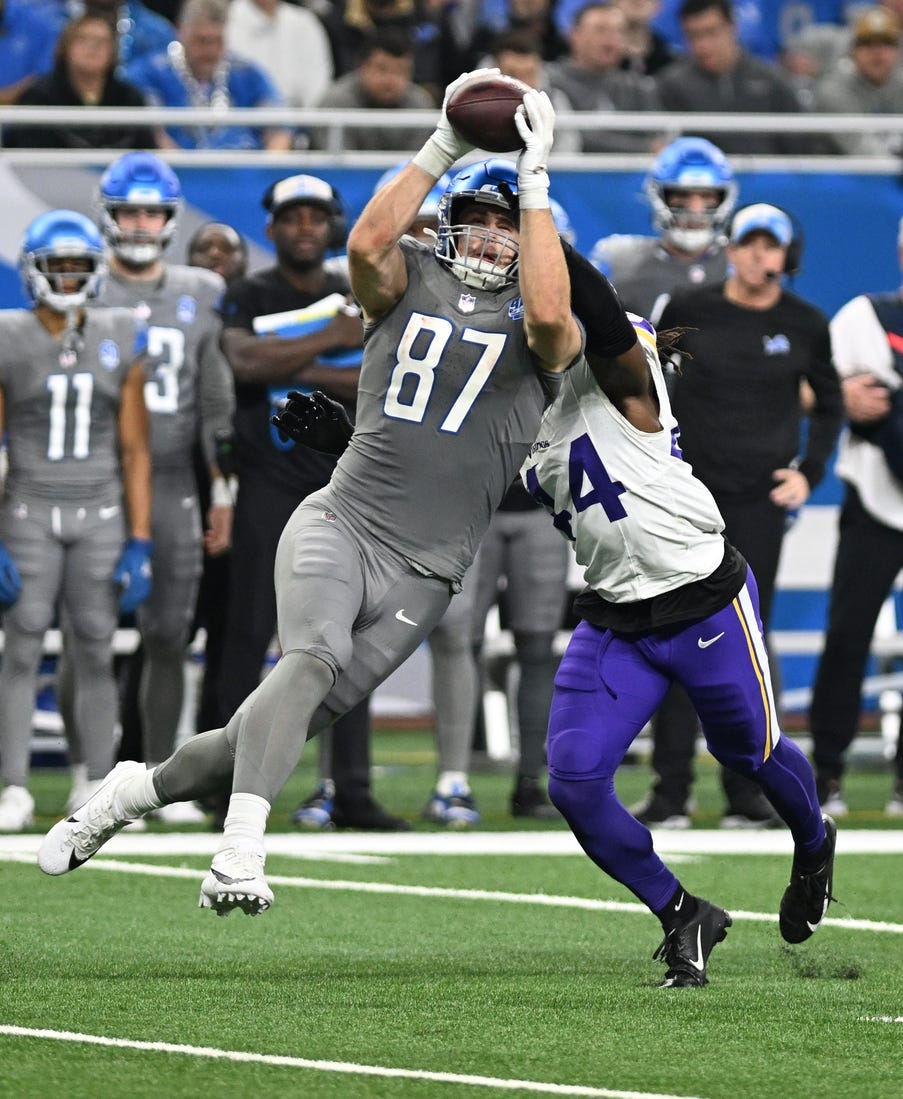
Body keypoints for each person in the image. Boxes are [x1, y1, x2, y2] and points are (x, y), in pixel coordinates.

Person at [38, 72, 592, 914]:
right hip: (345, 517)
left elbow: (552, 323)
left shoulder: (544, 317)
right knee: (309, 659)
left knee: (254, 733)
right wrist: (443, 143)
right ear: (444, 224)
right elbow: (367, 244)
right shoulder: (408, 273)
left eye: (501, 221)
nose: (485, 236)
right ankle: (239, 851)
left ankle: (130, 793)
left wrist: (535, 179)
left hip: (427, 571)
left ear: (530, 233)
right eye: (471, 218)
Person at [521, 255, 837, 985]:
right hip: (614, 618)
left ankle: (814, 839)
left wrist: (544, 241)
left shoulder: (623, 372)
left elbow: (596, 318)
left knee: (750, 754)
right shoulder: (522, 412)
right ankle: (681, 912)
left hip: (702, 598)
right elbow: (458, 488)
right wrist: (347, 444)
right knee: (572, 782)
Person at [631, 203, 844, 830]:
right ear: (730, 249)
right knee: (674, 630)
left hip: (757, 504)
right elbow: (645, 386)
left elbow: (830, 402)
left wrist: (809, 472)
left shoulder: (805, 323)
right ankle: (671, 791)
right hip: (686, 498)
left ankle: (745, 792)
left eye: (769, 246)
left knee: (745, 640)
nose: (758, 256)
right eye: (747, 243)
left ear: (787, 257)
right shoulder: (686, 310)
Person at [215, 170, 407, 833]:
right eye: (291, 216)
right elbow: (240, 363)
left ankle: (349, 787)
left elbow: (373, 375)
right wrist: (327, 339)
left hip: (342, 481)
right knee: (246, 633)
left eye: (315, 216)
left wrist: (287, 360)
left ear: (331, 226)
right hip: (265, 478)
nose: (303, 227)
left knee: (348, 640)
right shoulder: (247, 292)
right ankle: (222, 783)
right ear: (270, 226)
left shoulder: (355, 290)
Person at [62, 152, 236, 822]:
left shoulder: (201, 291)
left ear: (169, 218)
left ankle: (157, 783)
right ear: (109, 215)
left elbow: (216, 404)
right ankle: (88, 771)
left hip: (171, 480)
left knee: (168, 633)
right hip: (96, 478)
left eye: (151, 211)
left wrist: (222, 491)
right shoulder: (80, 284)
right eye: (129, 210)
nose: (139, 223)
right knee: (89, 631)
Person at [0, 210, 152, 832]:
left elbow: (135, 448)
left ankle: (94, 782)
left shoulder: (121, 330)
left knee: (94, 649)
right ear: (33, 271)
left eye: (77, 266)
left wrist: (141, 538)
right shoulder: (9, 334)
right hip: (28, 508)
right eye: (56, 266)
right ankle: (13, 786)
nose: (67, 278)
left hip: (102, 512)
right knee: (22, 647)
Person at [809, 214, 903, 819]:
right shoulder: (866, 315)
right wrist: (847, 398)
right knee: (847, 636)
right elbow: (825, 387)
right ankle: (827, 770)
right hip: (874, 499)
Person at [589, 135, 737, 324]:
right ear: (659, 196)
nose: (695, 210)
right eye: (682, 195)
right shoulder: (620, 259)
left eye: (707, 196)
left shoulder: (738, 262)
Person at [123, 0, 293, 151]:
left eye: (217, 41)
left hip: (243, 174)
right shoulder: (151, 72)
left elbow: (280, 129)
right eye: (201, 40)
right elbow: (151, 133)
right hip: (177, 174)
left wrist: (265, 171)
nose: (210, 50)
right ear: (181, 31)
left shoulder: (245, 73)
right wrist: (187, 170)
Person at [654, 0, 816, 156]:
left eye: (711, 32)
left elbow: (799, 146)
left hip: (766, 181)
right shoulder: (671, 85)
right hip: (701, 180)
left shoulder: (770, 80)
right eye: (693, 36)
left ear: (732, 27)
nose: (702, 44)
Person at [5, 11, 155, 151]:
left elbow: (146, 153)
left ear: (113, 52)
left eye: (101, 42)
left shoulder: (130, 99)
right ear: (65, 47)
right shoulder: (38, 97)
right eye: (83, 39)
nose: (92, 48)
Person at [546, 2, 664, 154]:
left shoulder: (637, 86)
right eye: (600, 31)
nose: (610, 41)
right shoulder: (550, 81)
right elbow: (573, 139)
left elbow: (659, 138)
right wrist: (643, 148)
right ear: (573, 36)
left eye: (619, 32)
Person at [308, 26, 436, 152]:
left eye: (400, 71)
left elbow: (419, 165)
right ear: (362, 67)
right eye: (382, 69)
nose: (391, 80)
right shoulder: (335, 103)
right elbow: (336, 167)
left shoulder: (421, 105)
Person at [811, 6, 903, 156]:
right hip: (840, 176)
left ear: (898, 50)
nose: (877, 52)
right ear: (852, 50)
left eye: (886, 42)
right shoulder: (834, 90)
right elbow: (863, 151)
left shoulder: (900, 85)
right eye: (867, 43)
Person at [226, 0, 334, 109]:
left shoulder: (305, 22)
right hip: (241, 119)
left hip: (300, 119)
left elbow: (318, 88)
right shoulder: (226, 22)